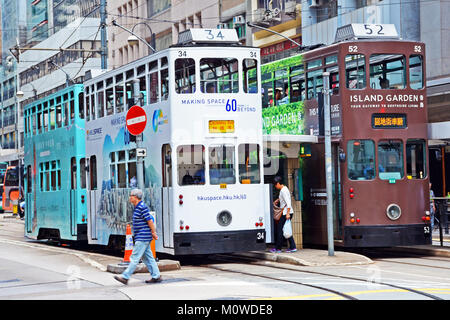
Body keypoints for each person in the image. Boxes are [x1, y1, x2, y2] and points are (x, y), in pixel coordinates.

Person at [114, 189, 161, 285]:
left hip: (142, 237)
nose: (130, 197)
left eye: (131, 196)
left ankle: (125, 277)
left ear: (136, 197)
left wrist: (154, 232)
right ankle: (156, 276)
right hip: (142, 236)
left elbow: (149, 221)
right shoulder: (137, 207)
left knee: (134, 257)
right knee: (148, 258)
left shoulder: (142, 207)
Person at [271, 176, 297, 253]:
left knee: (280, 230)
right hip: (286, 212)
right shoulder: (284, 189)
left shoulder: (283, 191)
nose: (275, 186)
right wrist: (278, 200)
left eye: (275, 185)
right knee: (286, 230)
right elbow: (285, 198)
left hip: (286, 213)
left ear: (278, 183)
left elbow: (288, 203)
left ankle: (278, 248)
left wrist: (288, 214)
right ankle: (293, 247)